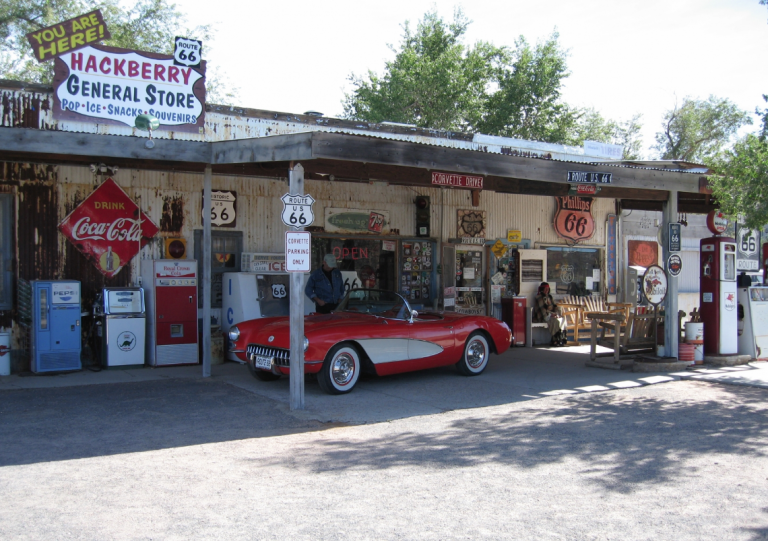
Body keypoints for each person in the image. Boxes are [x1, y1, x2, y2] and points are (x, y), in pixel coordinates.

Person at [533, 282, 567, 347]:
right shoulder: (539, 297)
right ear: (542, 289)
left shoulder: (550, 297)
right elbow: (542, 309)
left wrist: (556, 314)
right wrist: (550, 315)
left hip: (551, 314)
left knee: (563, 319)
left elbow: (555, 306)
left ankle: (561, 338)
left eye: (548, 289)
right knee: (555, 321)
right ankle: (555, 340)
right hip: (542, 316)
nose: (547, 290)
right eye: (545, 289)